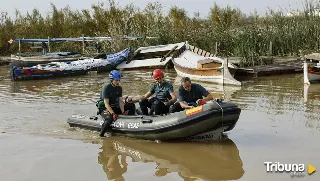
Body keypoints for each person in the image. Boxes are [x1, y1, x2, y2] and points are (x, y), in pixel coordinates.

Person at [97, 70, 135, 137]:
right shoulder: (106, 88)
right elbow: (106, 104)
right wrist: (113, 113)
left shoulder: (119, 88)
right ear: (112, 80)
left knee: (131, 105)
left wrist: (123, 112)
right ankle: (101, 135)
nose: (118, 82)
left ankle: (130, 120)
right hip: (105, 108)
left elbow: (120, 101)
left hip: (114, 106)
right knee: (109, 118)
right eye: (116, 80)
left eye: (119, 80)